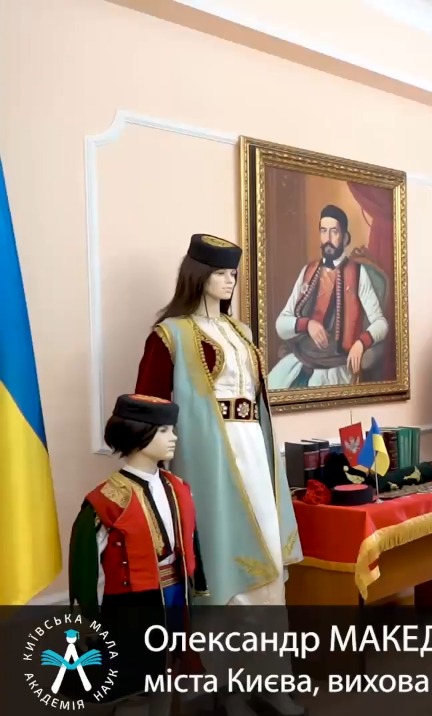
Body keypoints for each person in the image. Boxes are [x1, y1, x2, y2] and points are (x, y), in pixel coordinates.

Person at [135, 234, 304, 716]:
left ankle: (271, 681)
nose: (231, 280)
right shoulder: (169, 334)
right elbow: (150, 407)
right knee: (221, 574)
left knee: (268, 571)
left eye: (233, 272)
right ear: (198, 274)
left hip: (256, 454)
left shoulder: (242, 332)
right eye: (221, 272)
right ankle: (227, 690)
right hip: (206, 462)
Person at [68, 394, 207, 714]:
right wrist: (89, 617)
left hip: (176, 593)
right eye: (164, 431)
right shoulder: (105, 501)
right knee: (135, 678)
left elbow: (191, 539)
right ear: (139, 433)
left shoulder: (178, 487)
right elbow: (87, 569)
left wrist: (196, 584)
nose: (174, 437)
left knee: (169, 668)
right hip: (132, 604)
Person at [266, 204, 390, 389]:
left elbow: (381, 323)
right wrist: (308, 324)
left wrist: (360, 343)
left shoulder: (358, 273)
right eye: (323, 231)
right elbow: (281, 324)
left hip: (336, 366)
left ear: (345, 238)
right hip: (300, 359)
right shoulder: (308, 271)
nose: (328, 239)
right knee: (269, 390)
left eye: (334, 232)